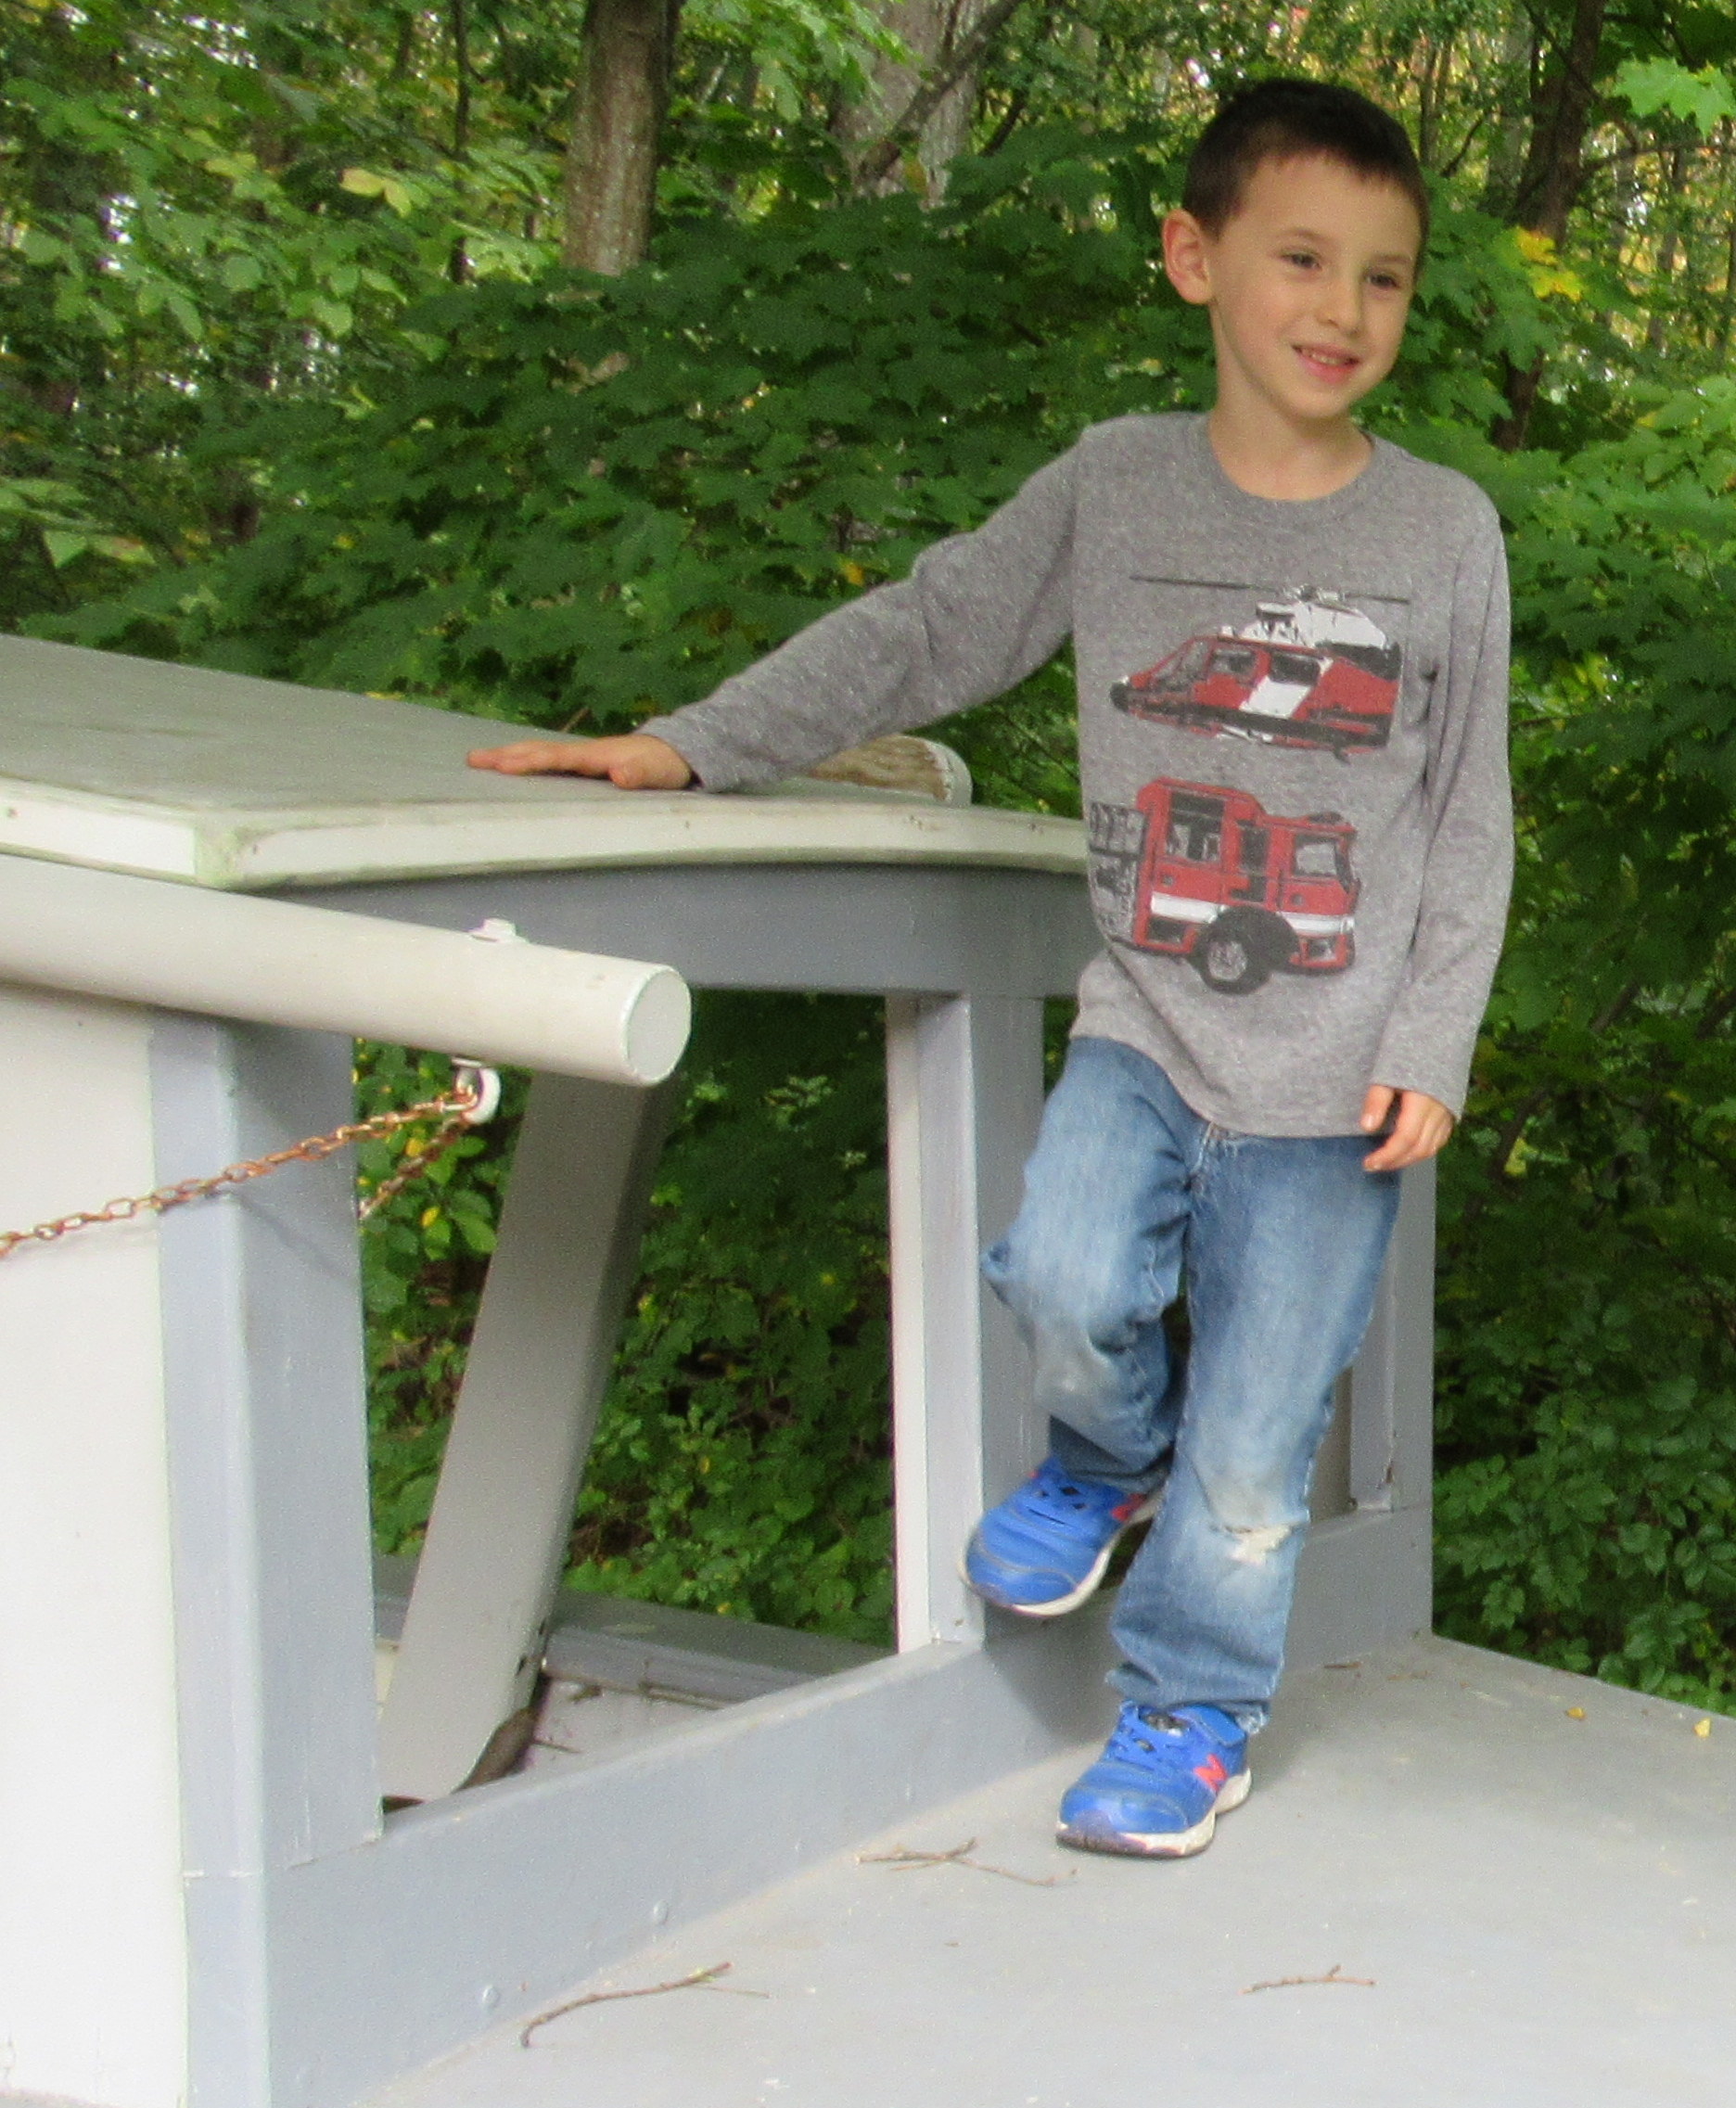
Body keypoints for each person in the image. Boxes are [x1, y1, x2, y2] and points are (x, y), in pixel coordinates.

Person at [470, 76, 1510, 1859]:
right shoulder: (1116, 485)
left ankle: (1190, 1712)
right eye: (1302, 259)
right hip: (1146, 1024)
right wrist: (696, 742)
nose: (1344, 309)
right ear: (1193, 257)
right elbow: (930, 629)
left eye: (1386, 277)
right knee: (1065, 1275)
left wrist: (1436, 1032)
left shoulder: (1442, 532)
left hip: (1339, 1085)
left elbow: (1469, 810)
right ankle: (1103, 1465)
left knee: (1255, 1453)